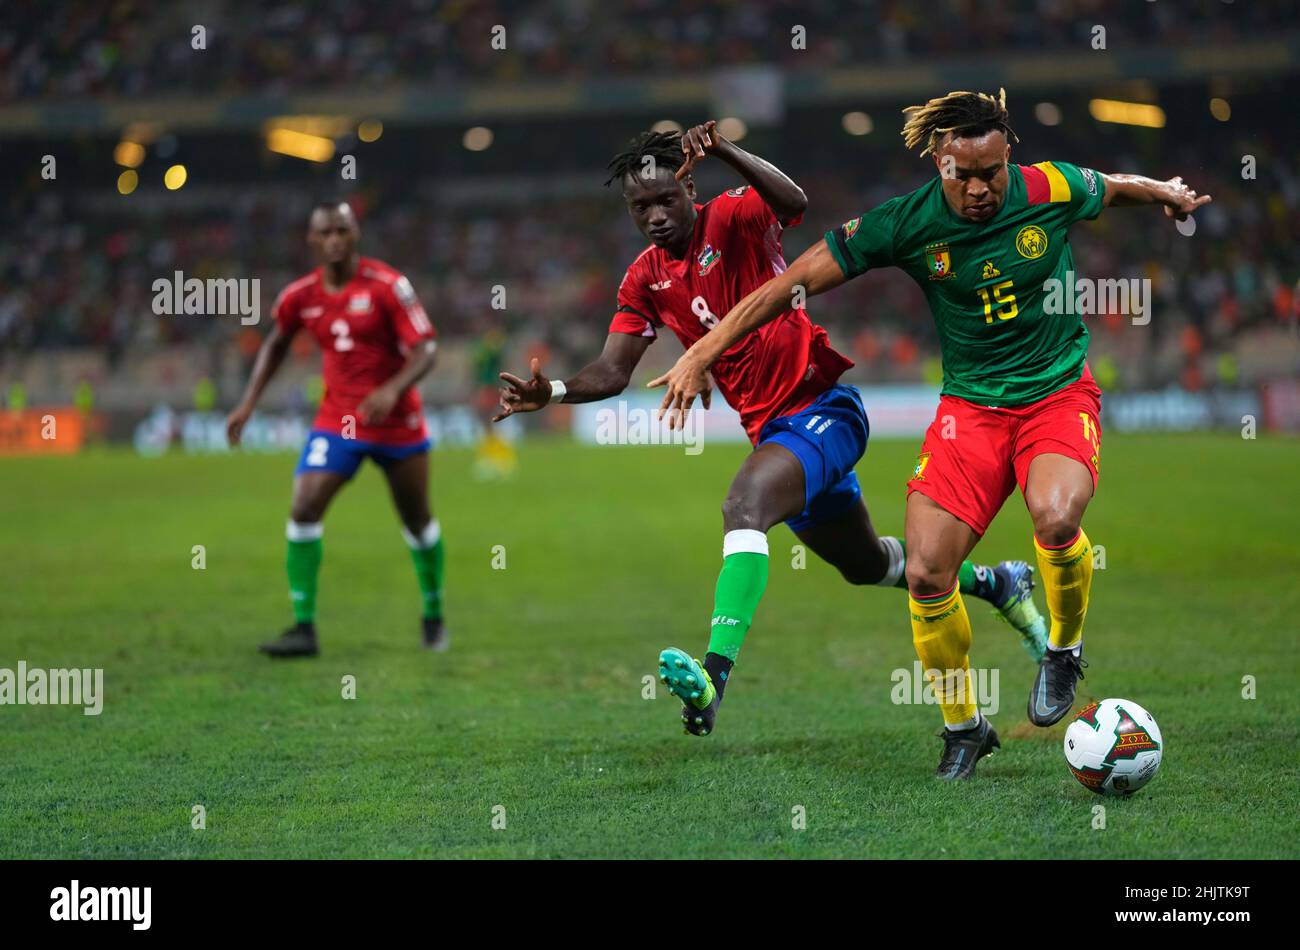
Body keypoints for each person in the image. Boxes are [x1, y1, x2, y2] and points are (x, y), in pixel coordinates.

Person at [650, 91, 1211, 777]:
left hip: (1055, 393)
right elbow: (792, 281)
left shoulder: (1048, 187)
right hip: (969, 409)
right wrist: (701, 351)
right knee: (923, 571)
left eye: (992, 173)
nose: (979, 189)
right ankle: (963, 727)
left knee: (1056, 517)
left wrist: (1166, 194)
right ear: (939, 162)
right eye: (962, 174)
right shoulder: (904, 223)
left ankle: (1063, 650)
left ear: (1010, 159)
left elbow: (1114, 187)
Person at [495, 122, 1047, 739]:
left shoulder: (731, 218)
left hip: (826, 411)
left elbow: (794, 203)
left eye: (663, 200)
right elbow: (613, 369)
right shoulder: (643, 278)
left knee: (743, 505)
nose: (653, 216)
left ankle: (712, 680)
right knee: (866, 564)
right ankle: (998, 581)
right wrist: (559, 391)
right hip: (778, 439)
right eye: (638, 207)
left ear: (688, 189)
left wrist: (728, 150)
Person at [226, 201, 447, 657]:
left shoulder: (389, 287)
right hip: (339, 421)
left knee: (417, 519)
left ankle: (433, 611)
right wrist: (248, 404)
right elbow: (276, 343)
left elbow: (426, 350)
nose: (333, 241)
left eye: (342, 232)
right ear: (312, 239)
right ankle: (303, 628)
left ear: (356, 235)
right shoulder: (300, 297)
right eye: (325, 233)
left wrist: (391, 389)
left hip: (397, 423)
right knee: (304, 506)